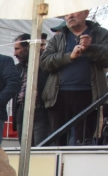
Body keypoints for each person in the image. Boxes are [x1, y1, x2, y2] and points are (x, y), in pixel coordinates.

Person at [40, 10, 108, 146]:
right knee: (58, 141)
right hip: (58, 95)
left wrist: (90, 48)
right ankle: (58, 167)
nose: (69, 16)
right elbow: (44, 63)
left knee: (83, 141)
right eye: (66, 14)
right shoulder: (58, 38)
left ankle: (82, 167)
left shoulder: (101, 33)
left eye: (74, 13)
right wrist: (69, 56)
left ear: (86, 13)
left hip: (89, 95)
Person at [13, 33, 51, 146]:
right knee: (24, 148)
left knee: (39, 149)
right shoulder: (18, 68)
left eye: (17, 49)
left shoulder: (45, 64)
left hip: (40, 110)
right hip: (21, 110)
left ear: (29, 47)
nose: (15, 53)